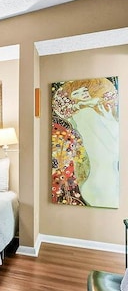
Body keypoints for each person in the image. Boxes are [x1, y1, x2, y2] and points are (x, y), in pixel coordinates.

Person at [52, 78, 119, 208]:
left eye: (84, 90)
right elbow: (114, 149)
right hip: (100, 185)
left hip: (104, 180)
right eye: (76, 93)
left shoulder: (95, 112)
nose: (83, 93)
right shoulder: (86, 113)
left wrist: (109, 117)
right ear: (71, 100)